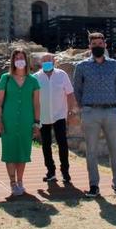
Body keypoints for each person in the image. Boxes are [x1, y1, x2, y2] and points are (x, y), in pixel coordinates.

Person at [73, 32, 116, 198]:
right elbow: (77, 89)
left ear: (105, 45)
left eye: (100, 43)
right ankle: (93, 185)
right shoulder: (81, 66)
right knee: (91, 150)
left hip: (112, 111)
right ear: (89, 46)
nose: (97, 46)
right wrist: (84, 107)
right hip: (91, 112)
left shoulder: (114, 65)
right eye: (94, 43)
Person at [0, 49, 41, 196]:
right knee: (10, 152)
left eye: (22, 58)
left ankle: (20, 181)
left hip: (27, 121)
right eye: (17, 58)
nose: (19, 60)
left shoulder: (33, 80)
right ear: (13, 61)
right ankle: (12, 183)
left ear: (26, 60)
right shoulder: (5, 78)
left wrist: (36, 123)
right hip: (9, 121)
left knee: (22, 152)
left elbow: (36, 104)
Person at [33, 53, 77, 183]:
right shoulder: (35, 77)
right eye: (44, 60)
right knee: (45, 145)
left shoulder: (62, 75)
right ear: (40, 62)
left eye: (49, 60)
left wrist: (70, 111)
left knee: (62, 144)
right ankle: (50, 172)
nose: (47, 62)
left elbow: (70, 93)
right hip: (43, 116)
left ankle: (65, 172)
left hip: (60, 115)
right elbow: (33, 99)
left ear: (54, 61)